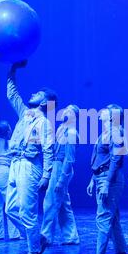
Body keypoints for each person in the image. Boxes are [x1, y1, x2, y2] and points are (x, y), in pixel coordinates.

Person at [4, 60, 56, 254]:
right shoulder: (25, 114)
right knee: (10, 209)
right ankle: (38, 239)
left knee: (27, 210)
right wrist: (12, 71)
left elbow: (48, 150)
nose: (33, 93)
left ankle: (33, 251)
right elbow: (12, 95)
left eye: (39, 94)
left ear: (44, 102)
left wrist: (46, 175)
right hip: (15, 164)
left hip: (30, 165)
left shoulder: (44, 122)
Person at [82, 104, 128, 254]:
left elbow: (116, 160)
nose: (101, 111)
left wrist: (106, 183)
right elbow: (101, 159)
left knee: (102, 218)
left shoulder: (117, 132)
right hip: (102, 177)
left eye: (105, 110)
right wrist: (92, 179)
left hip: (111, 179)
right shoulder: (106, 133)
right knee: (113, 219)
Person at [41, 105, 80, 245]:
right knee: (63, 204)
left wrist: (61, 180)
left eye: (70, 110)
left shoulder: (71, 132)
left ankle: (45, 236)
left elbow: (69, 159)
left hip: (63, 168)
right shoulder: (60, 129)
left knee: (51, 202)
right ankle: (71, 236)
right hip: (57, 166)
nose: (66, 111)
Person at [0, 120, 22, 240]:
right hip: (3, 172)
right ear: (7, 131)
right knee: (11, 204)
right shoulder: (11, 143)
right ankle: (15, 234)